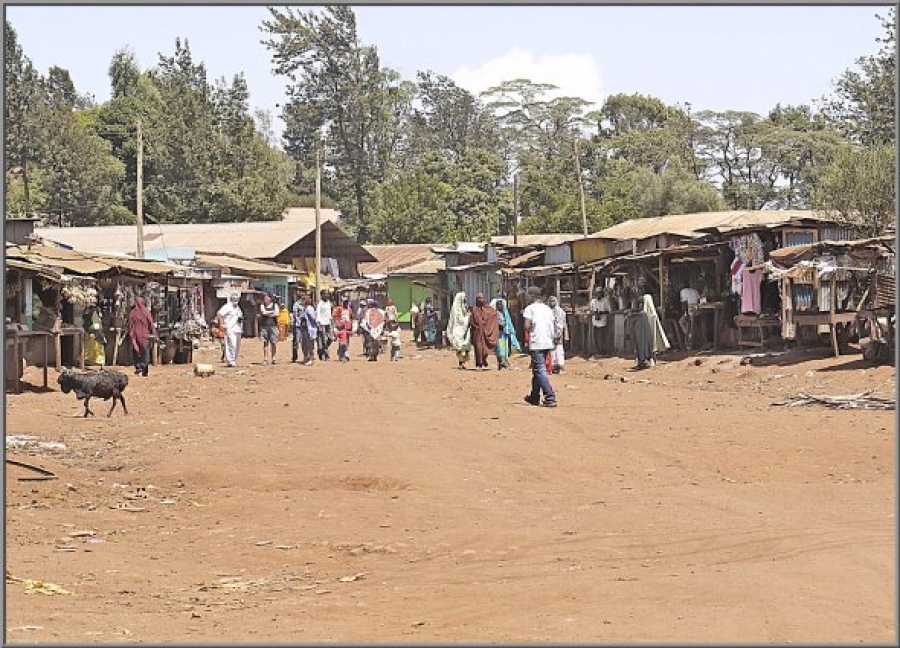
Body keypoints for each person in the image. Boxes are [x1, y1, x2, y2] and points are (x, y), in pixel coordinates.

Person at [522, 286, 557, 408]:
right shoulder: (548, 309)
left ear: (532, 295)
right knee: (537, 370)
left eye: (527, 295)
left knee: (540, 369)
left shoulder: (529, 309)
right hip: (547, 342)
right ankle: (534, 396)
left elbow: (527, 326)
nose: (525, 297)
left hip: (537, 342)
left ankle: (550, 397)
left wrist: (526, 340)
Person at [634, 294, 670, 369]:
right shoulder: (652, 314)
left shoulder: (644, 314)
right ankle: (650, 360)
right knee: (651, 346)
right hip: (650, 335)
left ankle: (647, 360)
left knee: (647, 345)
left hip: (647, 335)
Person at [127, 296, 157, 377]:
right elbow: (151, 324)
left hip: (135, 336)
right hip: (145, 336)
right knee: (145, 353)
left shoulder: (132, 313)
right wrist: (154, 334)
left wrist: (131, 335)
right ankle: (144, 369)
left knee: (136, 353)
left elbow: (130, 325)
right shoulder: (146, 312)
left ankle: (138, 368)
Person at [469, 293, 499, 370]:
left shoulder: (488, 309)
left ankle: (484, 359)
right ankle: (480, 364)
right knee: (478, 348)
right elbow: (472, 321)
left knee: (486, 349)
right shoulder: (475, 310)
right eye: (479, 298)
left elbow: (493, 314)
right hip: (477, 333)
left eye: (482, 298)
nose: (481, 300)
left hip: (486, 331)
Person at [492, 296, 521, 370]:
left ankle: (502, 364)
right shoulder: (495, 314)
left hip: (505, 334)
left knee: (504, 350)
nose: (499, 306)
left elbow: (508, 323)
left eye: (501, 304)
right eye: (498, 304)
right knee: (499, 349)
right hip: (498, 334)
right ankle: (502, 363)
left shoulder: (505, 314)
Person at [216, 292, 244, 368]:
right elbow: (219, 314)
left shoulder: (238, 307)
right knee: (231, 345)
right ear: (231, 298)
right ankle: (230, 361)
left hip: (238, 328)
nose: (235, 299)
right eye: (234, 298)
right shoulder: (227, 306)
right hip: (230, 328)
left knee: (237, 346)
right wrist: (222, 324)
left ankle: (234, 360)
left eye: (237, 298)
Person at [446, 292, 471, 369]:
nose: (465, 299)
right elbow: (461, 320)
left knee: (465, 346)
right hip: (459, 330)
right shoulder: (457, 310)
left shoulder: (464, 306)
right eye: (464, 298)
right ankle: (461, 363)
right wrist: (468, 316)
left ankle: (462, 362)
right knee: (460, 347)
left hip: (465, 330)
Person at [547, 295, 569, 374]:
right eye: (550, 301)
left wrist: (561, 334)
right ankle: (553, 366)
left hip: (557, 332)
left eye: (553, 301)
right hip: (551, 333)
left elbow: (562, 324)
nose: (552, 303)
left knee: (558, 349)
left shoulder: (560, 312)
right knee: (553, 350)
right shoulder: (548, 311)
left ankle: (559, 366)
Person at [589, 287, 612, 356]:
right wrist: (595, 313)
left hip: (603, 322)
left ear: (602, 293)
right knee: (595, 338)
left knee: (602, 338)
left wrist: (601, 313)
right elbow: (590, 310)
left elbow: (609, 311)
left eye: (600, 293)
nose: (598, 294)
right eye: (597, 293)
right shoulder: (593, 301)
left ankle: (603, 352)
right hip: (595, 322)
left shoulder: (605, 301)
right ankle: (598, 352)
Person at [258, 292, 279, 365]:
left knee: (273, 343)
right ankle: (265, 358)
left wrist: (268, 313)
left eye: (267, 297)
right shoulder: (262, 305)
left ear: (270, 298)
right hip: (264, 326)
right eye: (264, 298)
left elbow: (277, 314)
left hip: (273, 326)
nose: (265, 299)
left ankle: (273, 358)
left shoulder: (275, 305)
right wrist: (271, 313)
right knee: (265, 343)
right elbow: (263, 313)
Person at [680, 283, 701, 349]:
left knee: (682, 322)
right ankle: (693, 338)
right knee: (692, 325)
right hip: (698, 309)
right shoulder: (694, 291)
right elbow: (699, 300)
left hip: (691, 308)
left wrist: (686, 313)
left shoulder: (683, 291)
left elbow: (684, 303)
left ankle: (689, 339)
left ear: (683, 286)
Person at [315, 289, 333, 361]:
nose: (327, 295)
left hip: (328, 323)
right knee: (323, 340)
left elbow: (329, 313)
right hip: (322, 323)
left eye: (327, 294)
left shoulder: (329, 302)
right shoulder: (320, 304)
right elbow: (318, 314)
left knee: (331, 339)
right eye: (325, 294)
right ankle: (325, 355)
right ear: (321, 295)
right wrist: (318, 323)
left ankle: (321, 350)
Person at [301, 294, 318, 365]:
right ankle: (306, 358)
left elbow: (313, 318)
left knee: (310, 345)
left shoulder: (309, 308)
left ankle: (311, 358)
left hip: (309, 329)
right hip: (304, 329)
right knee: (304, 344)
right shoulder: (305, 308)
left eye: (303, 300)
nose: (301, 302)